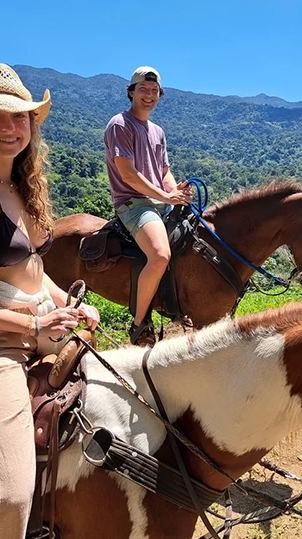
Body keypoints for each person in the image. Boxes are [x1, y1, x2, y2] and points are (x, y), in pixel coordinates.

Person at [0, 63, 99, 539]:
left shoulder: (21, 186)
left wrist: (68, 301)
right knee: (7, 492)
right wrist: (30, 330)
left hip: (36, 327)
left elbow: (32, 268)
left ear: (32, 124)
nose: (9, 128)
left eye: (19, 117)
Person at [104, 66, 193, 347]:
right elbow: (129, 174)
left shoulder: (157, 131)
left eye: (154, 91)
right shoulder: (120, 124)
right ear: (131, 93)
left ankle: (178, 304)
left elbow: (163, 171)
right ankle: (139, 323)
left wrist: (175, 190)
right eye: (143, 89)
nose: (149, 95)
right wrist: (165, 198)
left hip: (159, 200)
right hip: (134, 203)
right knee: (159, 255)